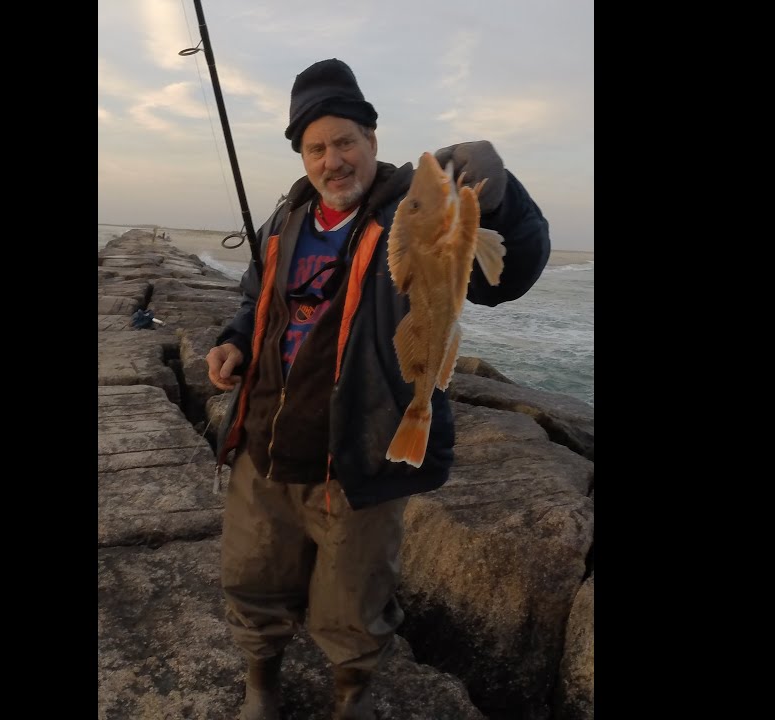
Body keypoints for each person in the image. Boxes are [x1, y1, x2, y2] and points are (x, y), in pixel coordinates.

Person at [205, 58, 551, 720]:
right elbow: (256, 299)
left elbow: (503, 276)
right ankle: (261, 684)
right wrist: (234, 340)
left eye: (345, 142)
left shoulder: (413, 209)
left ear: (371, 138)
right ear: (302, 154)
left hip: (359, 447)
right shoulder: (287, 218)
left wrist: (505, 197)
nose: (332, 160)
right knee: (253, 574)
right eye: (316, 147)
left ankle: (351, 695)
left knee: (353, 595)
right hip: (267, 438)